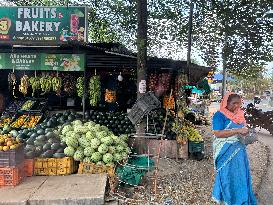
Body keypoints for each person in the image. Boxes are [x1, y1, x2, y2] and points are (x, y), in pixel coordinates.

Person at [212, 92, 257, 205]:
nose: (237, 106)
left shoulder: (240, 114)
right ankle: (227, 199)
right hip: (225, 151)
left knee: (240, 175)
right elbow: (217, 133)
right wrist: (237, 131)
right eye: (234, 103)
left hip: (239, 151)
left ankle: (241, 199)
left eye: (239, 103)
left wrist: (247, 132)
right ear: (226, 103)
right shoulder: (219, 115)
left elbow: (242, 129)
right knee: (227, 175)